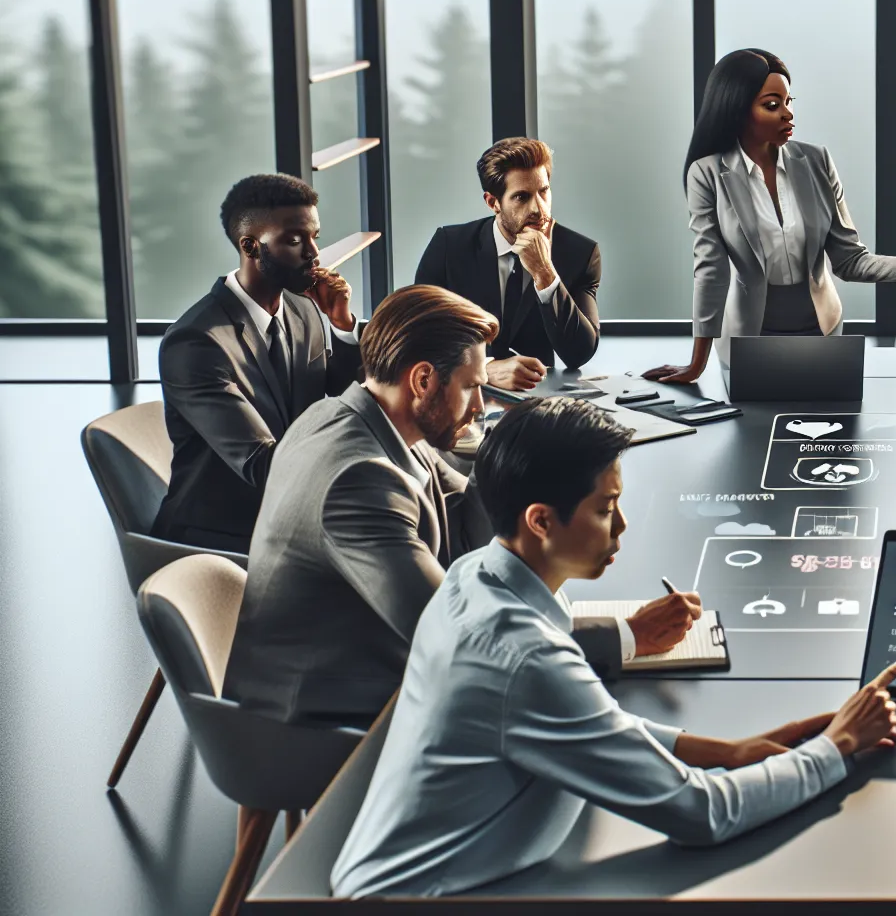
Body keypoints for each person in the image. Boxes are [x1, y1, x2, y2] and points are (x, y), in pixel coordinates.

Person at [330, 397, 896, 898]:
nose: (623, 525)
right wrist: (835, 747)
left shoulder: (473, 574)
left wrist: (728, 751)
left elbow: (582, 719)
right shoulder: (527, 658)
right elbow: (704, 814)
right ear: (541, 521)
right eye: (605, 509)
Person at [223, 285, 698, 731]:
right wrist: (627, 635)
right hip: (326, 712)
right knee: (551, 713)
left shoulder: (355, 418)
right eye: (472, 386)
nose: (480, 405)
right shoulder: (361, 479)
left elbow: (476, 514)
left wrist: (513, 445)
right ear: (424, 380)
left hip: (344, 660)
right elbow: (461, 636)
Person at [644, 48, 896, 382]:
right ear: (737, 109)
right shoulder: (706, 174)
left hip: (821, 332)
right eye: (772, 105)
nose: (787, 114)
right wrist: (696, 364)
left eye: (789, 103)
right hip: (749, 338)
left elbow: (849, 260)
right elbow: (711, 271)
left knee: (825, 430)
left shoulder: (816, 161)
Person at [153, 174, 360, 553]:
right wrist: (364, 470)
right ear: (251, 246)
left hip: (294, 511)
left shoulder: (304, 310)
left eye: (315, 236)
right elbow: (261, 464)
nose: (314, 253)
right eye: (295, 240)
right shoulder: (197, 343)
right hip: (224, 537)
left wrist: (342, 325)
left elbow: (348, 394)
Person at [414, 137, 603, 390]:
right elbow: (417, 336)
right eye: (522, 197)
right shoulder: (449, 247)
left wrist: (545, 273)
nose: (539, 209)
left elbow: (579, 354)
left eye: (543, 191)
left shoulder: (580, 253)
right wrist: (484, 369)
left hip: (539, 402)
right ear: (493, 202)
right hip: (459, 397)